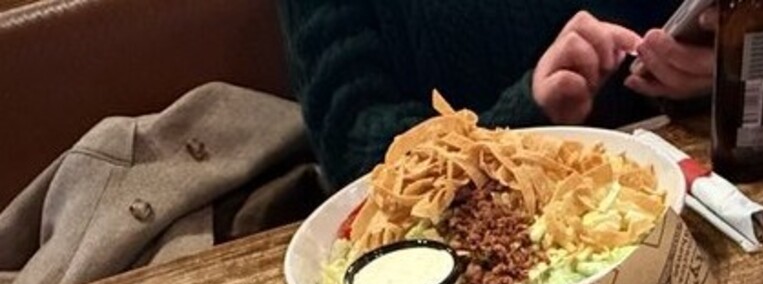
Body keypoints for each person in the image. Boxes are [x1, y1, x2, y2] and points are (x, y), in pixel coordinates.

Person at [277, 1, 717, 188]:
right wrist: (524, 116)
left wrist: (708, 63)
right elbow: (352, 147)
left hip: (669, 184)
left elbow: (674, 22)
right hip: (454, 261)